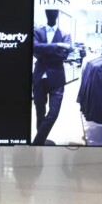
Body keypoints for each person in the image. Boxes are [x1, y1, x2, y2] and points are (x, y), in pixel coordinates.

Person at [32, 9, 72, 145]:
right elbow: (34, 48)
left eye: (54, 12)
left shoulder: (66, 34)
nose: (52, 14)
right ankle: (41, 142)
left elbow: (64, 55)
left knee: (53, 113)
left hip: (57, 77)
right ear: (46, 14)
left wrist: (44, 51)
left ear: (57, 14)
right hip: (39, 76)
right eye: (49, 12)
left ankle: (37, 141)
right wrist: (58, 45)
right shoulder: (37, 31)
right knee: (39, 111)